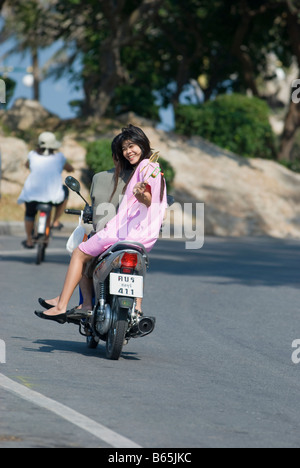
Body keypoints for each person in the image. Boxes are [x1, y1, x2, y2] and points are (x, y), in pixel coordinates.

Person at [35, 124, 167, 323]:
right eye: (124, 149)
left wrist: (141, 194)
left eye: (131, 146)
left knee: (79, 252)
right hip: (145, 236)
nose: (127, 152)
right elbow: (153, 199)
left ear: (142, 143)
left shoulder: (147, 167)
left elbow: (148, 197)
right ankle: (136, 308)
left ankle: (62, 306)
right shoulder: (152, 167)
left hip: (125, 232)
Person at [18, 132, 74, 248]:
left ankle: (29, 240)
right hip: (53, 196)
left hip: (32, 194)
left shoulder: (32, 155)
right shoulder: (59, 157)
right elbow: (69, 168)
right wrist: (70, 169)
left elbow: (27, 165)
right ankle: (55, 221)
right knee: (65, 190)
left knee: (29, 214)